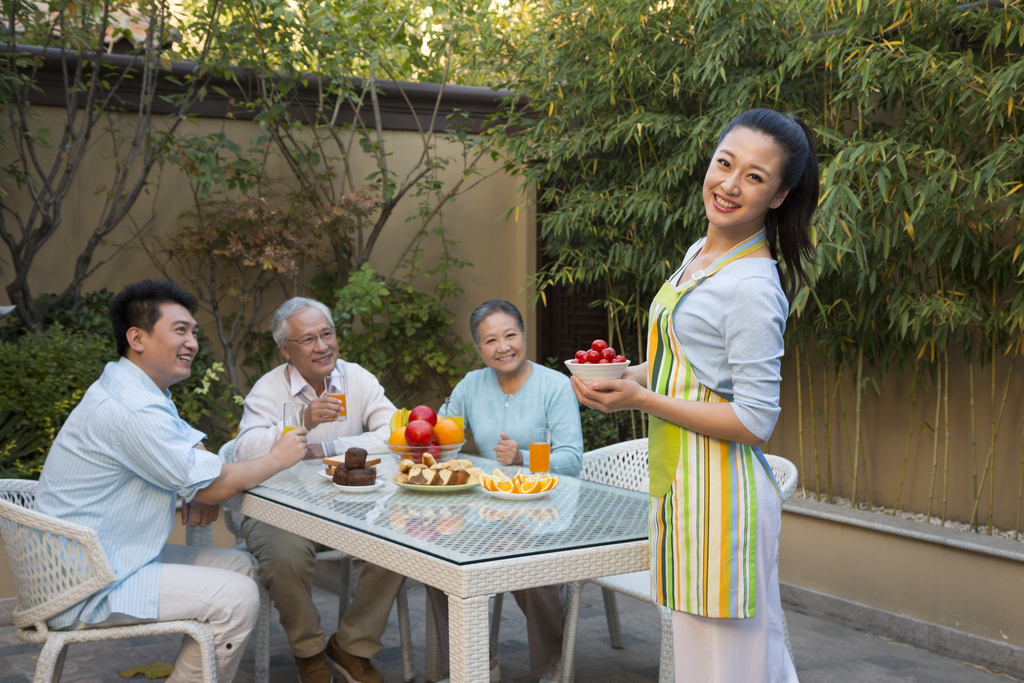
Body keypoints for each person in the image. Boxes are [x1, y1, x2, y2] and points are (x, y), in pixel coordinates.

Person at [572, 108, 817, 683]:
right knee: (707, 665)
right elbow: (676, 369)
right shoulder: (697, 257)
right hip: (683, 487)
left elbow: (755, 421)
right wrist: (625, 375)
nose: (729, 185)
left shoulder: (754, 287)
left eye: (755, 177)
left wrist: (641, 401)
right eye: (724, 163)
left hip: (724, 500)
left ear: (778, 196)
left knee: (731, 670)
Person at [35, 280, 308, 683]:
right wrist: (276, 458)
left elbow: (198, 462)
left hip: (106, 559)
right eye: (180, 330)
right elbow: (212, 483)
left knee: (240, 567)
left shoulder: (136, 388)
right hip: (86, 582)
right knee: (237, 599)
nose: (193, 342)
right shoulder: (131, 407)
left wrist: (204, 483)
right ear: (137, 338)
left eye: (194, 332)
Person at [232, 297, 404, 683]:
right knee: (283, 555)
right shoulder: (269, 389)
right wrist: (299, 422)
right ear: (286, 349)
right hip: (282, 509)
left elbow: (393, 434)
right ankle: (308, 650)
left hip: (352, 504)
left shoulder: (356, 378)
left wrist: (326, 448)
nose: (322, 346)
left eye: (327, 334)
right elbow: (244, 451)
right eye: (308, 339)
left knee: (403, 543)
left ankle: (352, 646)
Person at [427, 300, 584, 683]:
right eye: (490, 340)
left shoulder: (555, 385)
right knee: (437, 563)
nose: (503, 347)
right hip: (488, 509)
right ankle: (478, 663)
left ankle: (551, 666)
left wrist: (523, 458)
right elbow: (443, 435)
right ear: (479, 349)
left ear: (523, 335)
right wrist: (428, 439)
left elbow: (571, 459)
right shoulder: (471, 384)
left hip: (546, 508)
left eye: (510, 334)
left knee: (534, 569)